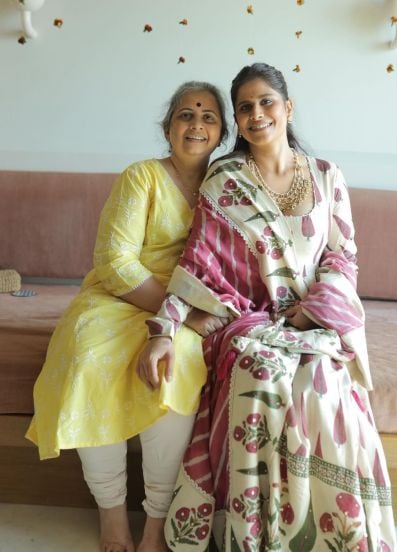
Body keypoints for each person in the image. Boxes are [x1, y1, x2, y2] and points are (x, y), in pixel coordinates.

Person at [139, 63, 397, 551]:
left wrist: (309, 314)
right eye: (245, 107)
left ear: (287, 107)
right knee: (261, 373)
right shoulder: (225, 180)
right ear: (237, 120)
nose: (256, 114)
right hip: (247, 324)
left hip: (316, 323)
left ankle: (328, 538)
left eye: (266, 102)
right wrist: (163, 329)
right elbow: (199, 261)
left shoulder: (326, 176)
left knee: (322, 385)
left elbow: (343, 256)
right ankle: (254, 536)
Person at [25, 81, 229, 552]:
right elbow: (114, 261)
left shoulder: (227, 186)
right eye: (185, 114)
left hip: (186, 309)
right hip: (120, 297)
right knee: (87, 360)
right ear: (168, 126)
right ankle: (112, 517)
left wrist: (185, 320)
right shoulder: (142, 176)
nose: (196, 124)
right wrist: (178, 313)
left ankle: (156, 523)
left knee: (174, 367)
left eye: (208, 117)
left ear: (221, 133)